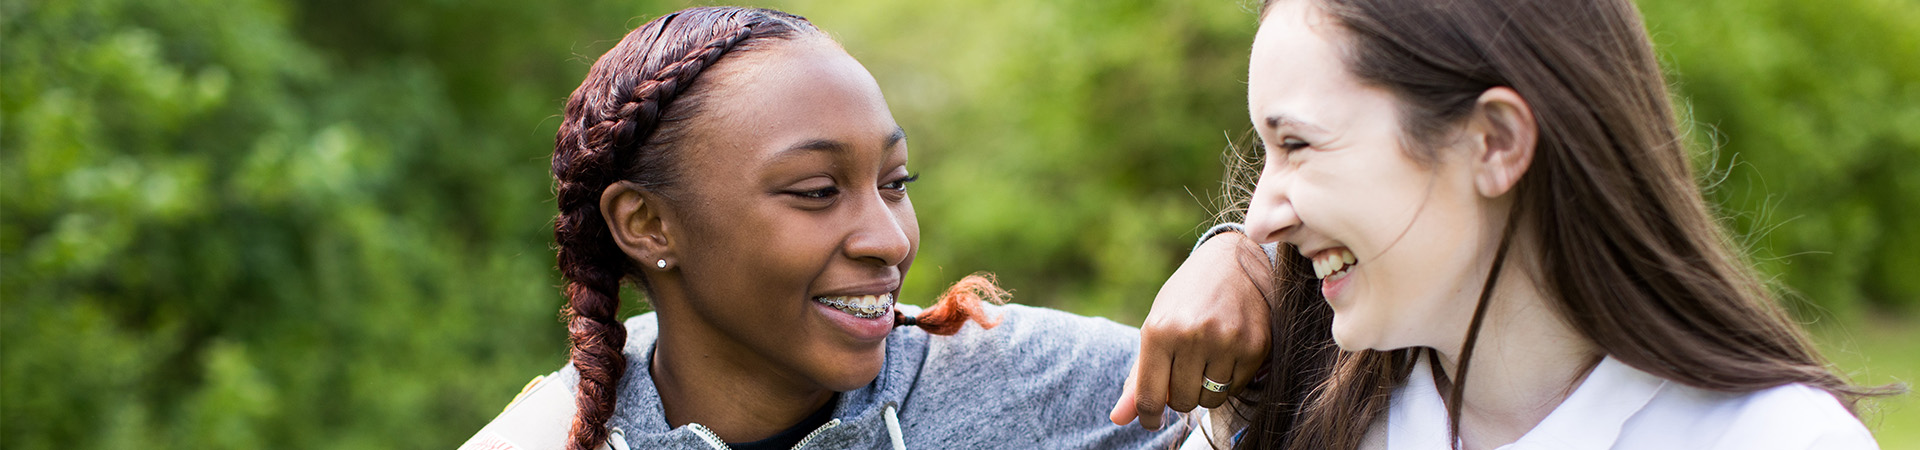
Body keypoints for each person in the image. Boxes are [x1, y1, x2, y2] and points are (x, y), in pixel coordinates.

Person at [458, 6, 1266, 450]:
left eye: (896, 183)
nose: (888, 238)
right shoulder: (541, 439)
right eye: (815, 191)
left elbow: (1333, 396)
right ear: (647, 223)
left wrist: (1250, 263)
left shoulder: (1011, 380)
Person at [1119, 0, 1894, 449]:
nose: (1258, 216)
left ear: (1495, 143)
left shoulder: (1774, 440)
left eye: (1297, 145)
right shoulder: (1295, 413)